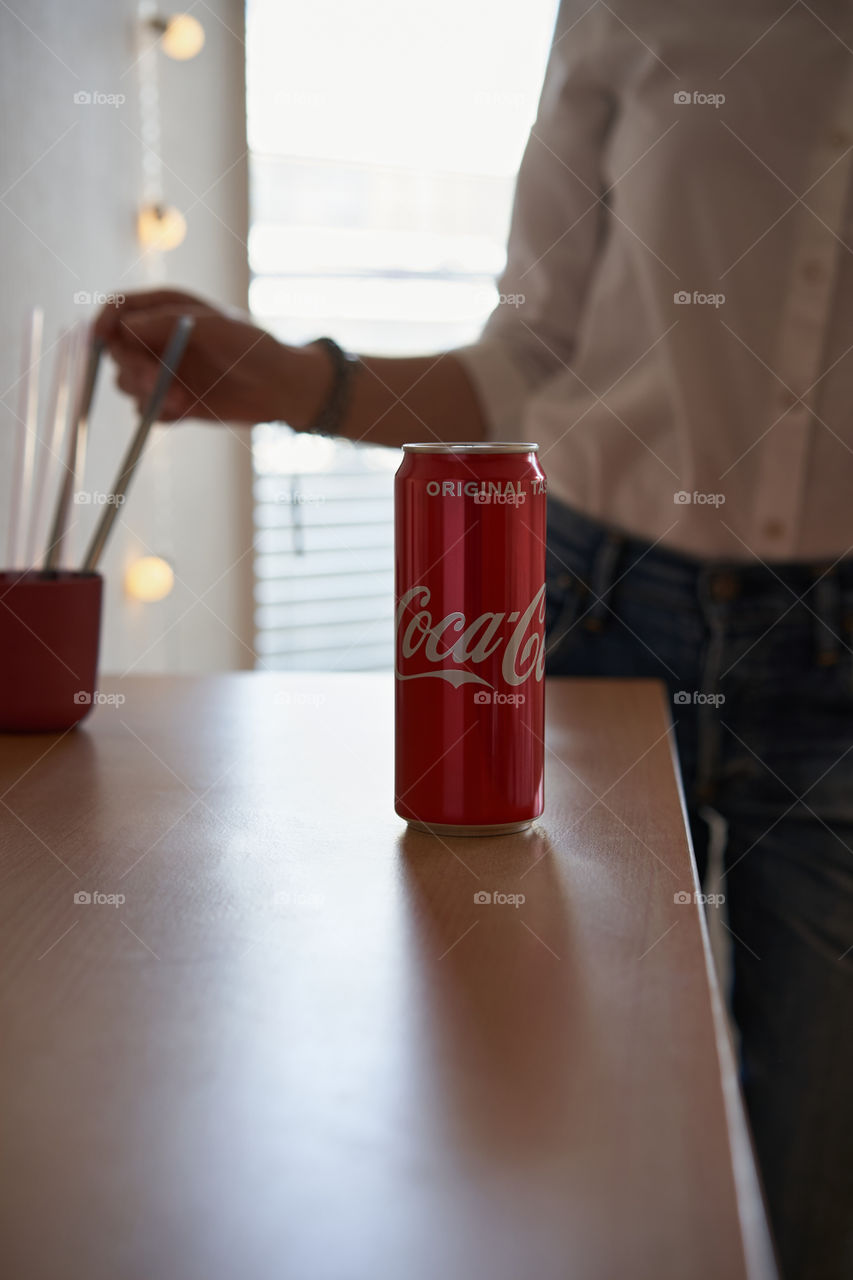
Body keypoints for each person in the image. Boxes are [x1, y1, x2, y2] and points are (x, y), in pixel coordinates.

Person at [97, 2, 853, 1275]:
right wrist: (303, 384)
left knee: (819, 1173)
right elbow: (531, 361)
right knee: (550, 1109)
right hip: (600, 612)